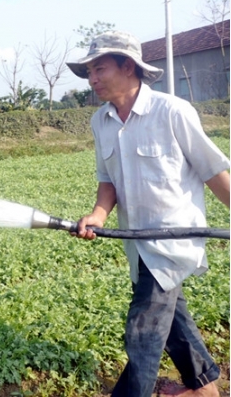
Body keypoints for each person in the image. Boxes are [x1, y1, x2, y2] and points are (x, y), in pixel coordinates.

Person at [66, 31, 230, 397]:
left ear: (128, 67)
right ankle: (207, 390)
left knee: (143, 333)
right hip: (138, 247)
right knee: (176, 328)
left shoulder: (172, 112)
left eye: (99, 69)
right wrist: (98, 214)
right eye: (88, 72)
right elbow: (107, 178)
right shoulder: (101, 121)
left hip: (173, 245)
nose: (92, 79)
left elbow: (212, 170)